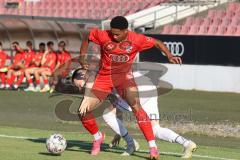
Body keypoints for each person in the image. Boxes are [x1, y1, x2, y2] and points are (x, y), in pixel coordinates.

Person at [78, 16, 181, 159]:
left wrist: (169, 55)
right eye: (112, 33)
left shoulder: (137, 39)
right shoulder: (103, 35)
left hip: (124, 79)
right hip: (104, 78)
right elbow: (87, 37)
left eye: (117, 34)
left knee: (136, 107)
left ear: (126, 31)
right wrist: (81, 57)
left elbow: (157, 43)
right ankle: (97, 137)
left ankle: (152, 148)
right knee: (82, 111)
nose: (114, 36)